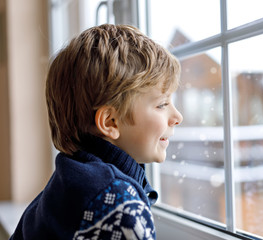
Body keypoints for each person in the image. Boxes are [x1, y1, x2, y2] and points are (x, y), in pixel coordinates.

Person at [10, 24, 183, 240]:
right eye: (162, 104)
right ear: (110, 121)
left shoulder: (63, 185)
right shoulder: (117, 203)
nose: (178, 117)